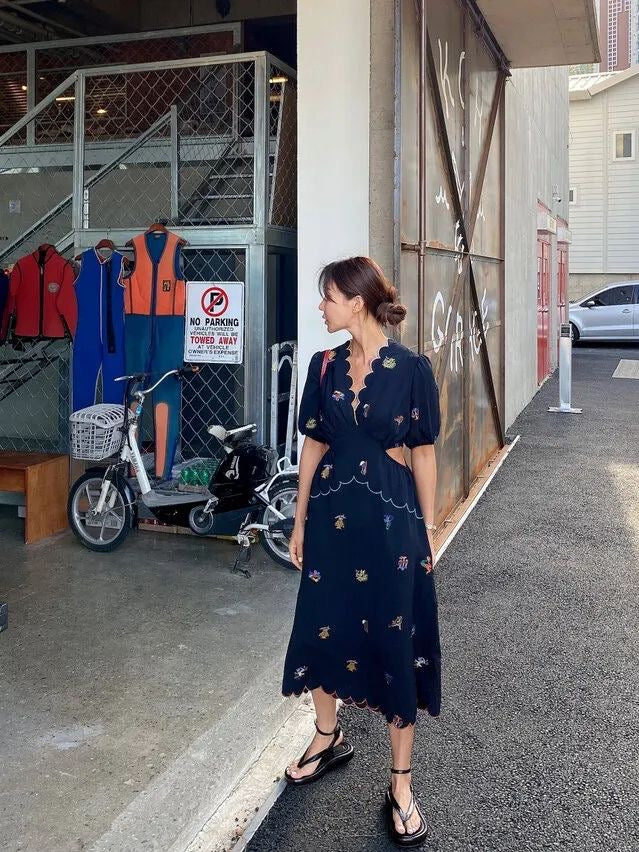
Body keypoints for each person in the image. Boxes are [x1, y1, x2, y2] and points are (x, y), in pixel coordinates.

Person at [281, 256, 441, 846]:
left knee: (395, 640)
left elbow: (422, 451)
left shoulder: (411, 368)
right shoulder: (322, 367)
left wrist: (427, 529)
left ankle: (400, 783)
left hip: (393, 528)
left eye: (327, 297)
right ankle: (328, 736)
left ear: (356, 301)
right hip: (331, 523)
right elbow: (313, 449)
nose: (321, 306)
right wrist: (297, 522)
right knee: (323, 626)